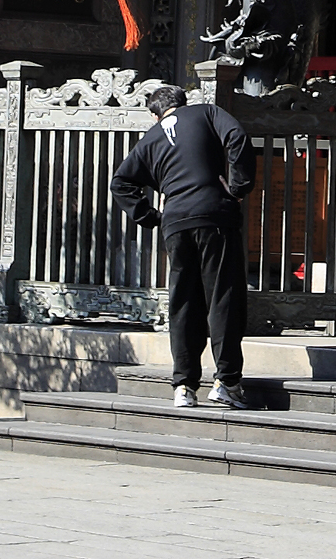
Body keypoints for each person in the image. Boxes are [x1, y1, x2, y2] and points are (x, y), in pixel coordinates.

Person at [109, 80, 255, 408]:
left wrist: (149, 215)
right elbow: (237, 136)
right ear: (183, 101)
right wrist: (239, 186)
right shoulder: (206, 113)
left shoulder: (151, 138)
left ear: (155, 112)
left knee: (184, 302)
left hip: (175, 222)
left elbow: (120, 182)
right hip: (213, 214)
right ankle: (227, 381)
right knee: (223, 296)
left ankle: (184, 387)